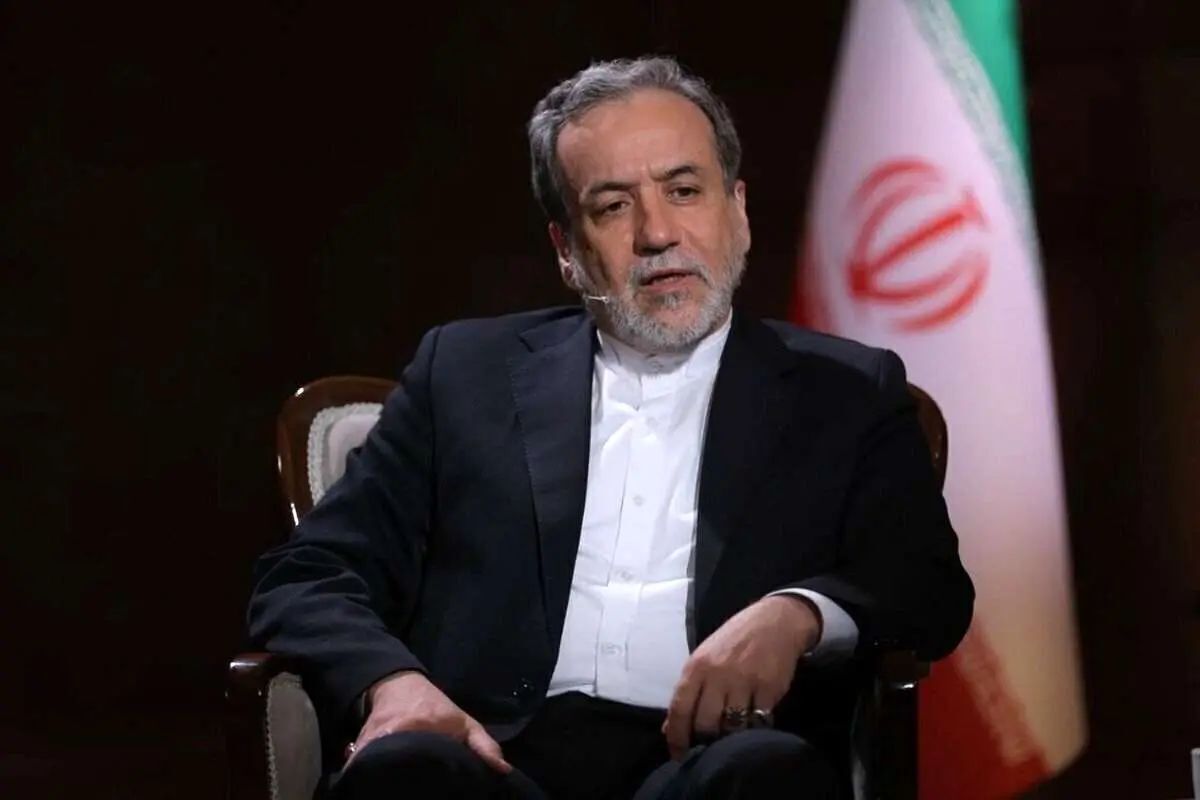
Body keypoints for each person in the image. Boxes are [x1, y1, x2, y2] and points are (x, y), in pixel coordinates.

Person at [247, 56, 974, 800]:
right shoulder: (464, 374)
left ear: (739, 211)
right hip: (489, 763)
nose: (658, 233)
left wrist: (798, 615)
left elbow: (927, 586)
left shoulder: (846, 391)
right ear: (567, 249)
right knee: (403, 774)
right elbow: (309, 575)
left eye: (684, 191)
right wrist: (392, 684)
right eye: (613, 206)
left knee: (766, 779)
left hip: (718, 760)